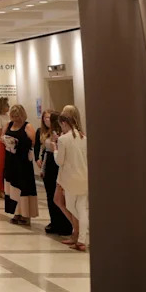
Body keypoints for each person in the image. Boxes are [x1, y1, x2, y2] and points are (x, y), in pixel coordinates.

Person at [55, 105, 88, 251]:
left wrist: (55, 150)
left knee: (71, 206)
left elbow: (59, 161)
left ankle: (82, 235)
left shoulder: (63, 139)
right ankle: (82, 239)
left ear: (64, 123)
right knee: (81, 208)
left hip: (70, 179)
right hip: (83, 176)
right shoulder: (83, 137)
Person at [35, 110, 72, 235]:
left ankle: (65, 224)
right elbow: (44, 152)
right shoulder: (44, 132)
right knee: (50, 195)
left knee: (60, 196)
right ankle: (54, 222)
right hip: (49, 162)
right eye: (45, 118)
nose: (47, 121)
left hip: (58, 163)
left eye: (49, 118)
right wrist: (42, 168)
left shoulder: (62, 133)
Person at [3, 104, 38, 225]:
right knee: (13, 187)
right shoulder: (8, 125)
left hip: (23, 161)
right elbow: (2, 137)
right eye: (13, 116)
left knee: (23, 187)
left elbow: (33, 142)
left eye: (17, 116)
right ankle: (16, 212)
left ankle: (26, 214)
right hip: (11, 159)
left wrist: (20, 143)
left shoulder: (27, 126)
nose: (15, 119)